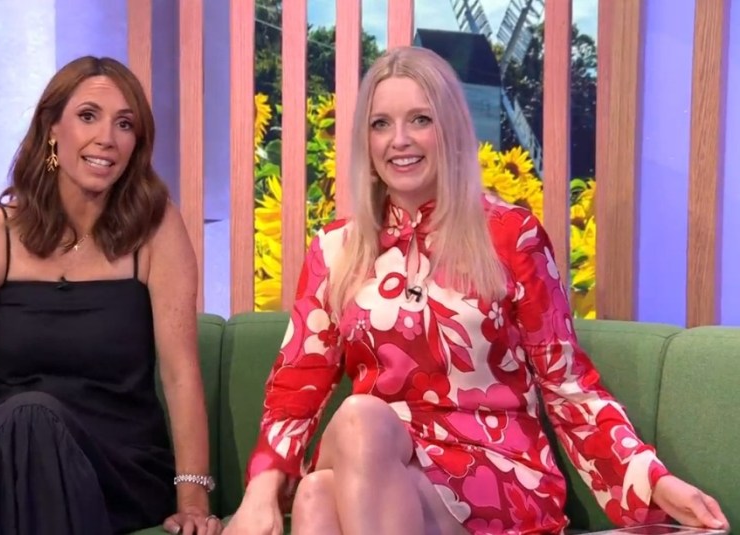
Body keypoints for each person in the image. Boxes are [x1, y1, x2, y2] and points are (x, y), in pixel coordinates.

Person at [224, 46, 729, 535]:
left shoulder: (512, 236)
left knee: (324, 487)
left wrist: (653, 480)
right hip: (376, 459)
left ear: (452, 130)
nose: (399, 139)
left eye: (420, 119)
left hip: (493, 468)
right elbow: (297, 386)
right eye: (381, 124)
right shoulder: (336, 249)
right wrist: (260, 494)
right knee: (345, 449)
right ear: (365, 141)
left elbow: (567, 383)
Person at [0, 56, 221, 535]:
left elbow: (180, 372)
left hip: (114, 467)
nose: (106, 136)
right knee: (25, 418)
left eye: (124, 124)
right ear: (52, 128)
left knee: (33, 415)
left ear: (136, 143)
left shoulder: (156, 230)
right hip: (2, 458)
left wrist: (192, 499)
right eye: (88, 116)